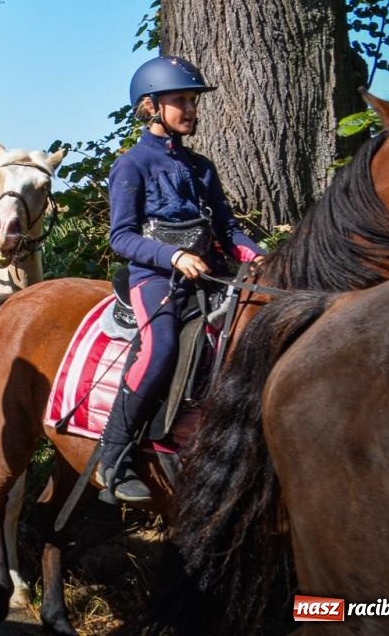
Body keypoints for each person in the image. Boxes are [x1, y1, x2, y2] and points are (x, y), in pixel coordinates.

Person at [98, 55, 264, 505]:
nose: (191, 109)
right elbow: (122, 237)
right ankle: (113, 458)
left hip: (207, 274)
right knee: (162, 347)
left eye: (192, 101)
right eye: (180, 101)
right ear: (151, 106)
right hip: (154, 277)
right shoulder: (131, 166)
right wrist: (173, 256)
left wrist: (259, 256)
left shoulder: (202, 167)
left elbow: (227, 230)